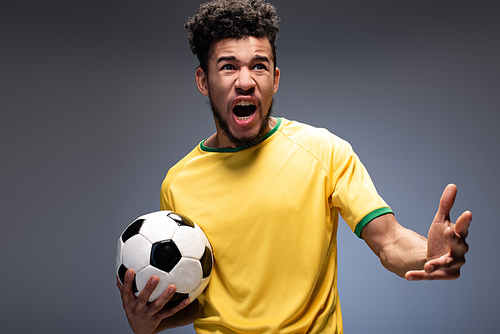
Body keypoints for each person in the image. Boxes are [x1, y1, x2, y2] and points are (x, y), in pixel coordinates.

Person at [116, 1, 472, 333]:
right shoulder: (178, 183)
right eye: (228, 66)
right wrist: (149, 323)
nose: (245, 80)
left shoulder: (324, 152)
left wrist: (430, 254)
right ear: (203, 81)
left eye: (259, 65)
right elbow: (198, 297)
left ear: (275, 79)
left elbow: (389, 240)